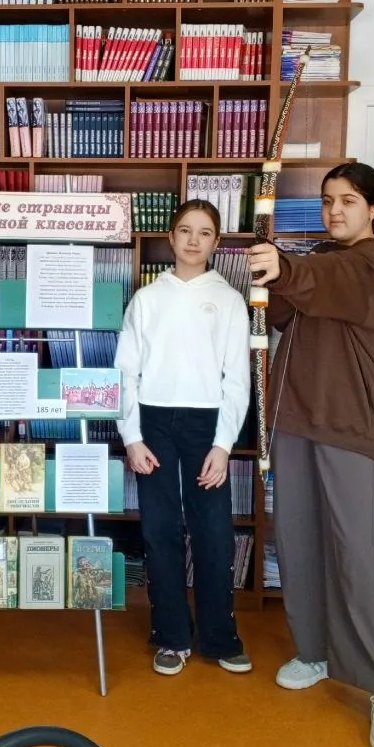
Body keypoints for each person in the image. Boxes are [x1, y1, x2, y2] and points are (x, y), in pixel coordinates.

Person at [246, 161, 374, 747]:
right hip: (293, 420)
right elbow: (282, 311)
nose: (335, 210)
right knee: (298, 540)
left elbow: (327, 281)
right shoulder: (317, 258)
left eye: (349, 200)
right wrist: (272, 269)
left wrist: (286, 267)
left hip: (348, 424)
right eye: (327, 200)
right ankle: (313, 651)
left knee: (355, 553)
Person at [114, 198, 252, 677]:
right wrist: (132, 436)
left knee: (213, 531)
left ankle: (220, 637)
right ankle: (171, 636)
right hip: (153, 422)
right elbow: (125, 373)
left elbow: (237, 381)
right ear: (171, 237)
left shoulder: (229, 301)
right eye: (186, 231)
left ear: (217, 242)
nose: (194, 240)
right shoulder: (147, 299)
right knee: (160, 529)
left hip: (206, 424)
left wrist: (223, 445)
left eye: (205, 232)